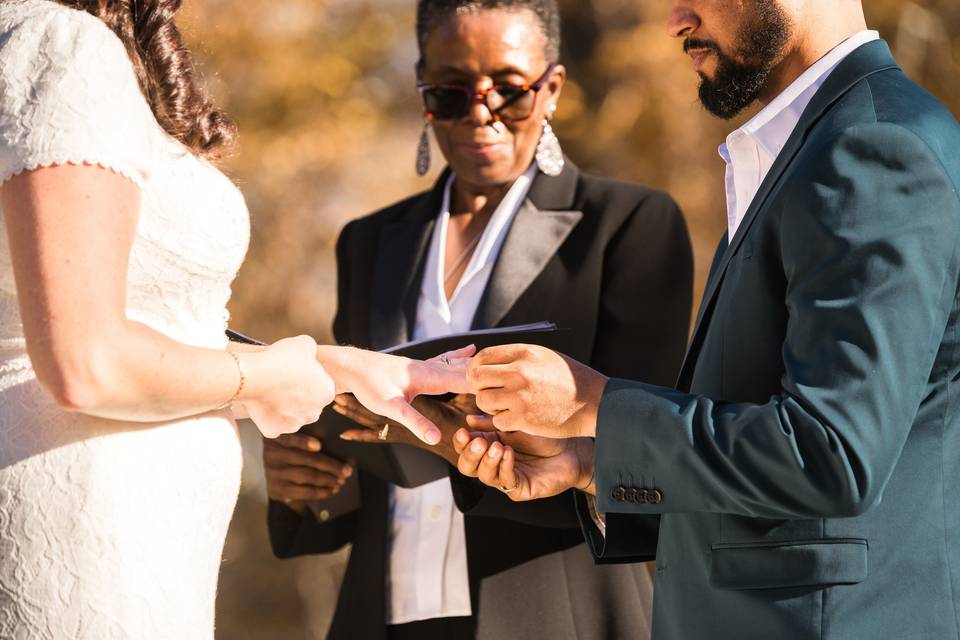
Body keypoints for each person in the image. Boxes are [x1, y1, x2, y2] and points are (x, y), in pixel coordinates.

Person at [453, 1, 960, 639]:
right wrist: (590, 462)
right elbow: (777, 460)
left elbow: (831, 458)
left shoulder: (873, 149)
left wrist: (595, 405)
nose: (675, 21)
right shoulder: (803, 152)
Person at [0, 1, 471, 638]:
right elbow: (88, 363)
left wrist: (328, 367)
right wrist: (267, 379)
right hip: (89, 526)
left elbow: (122, 314)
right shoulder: (59, 41)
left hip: (132, 533)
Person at [262, 1, 693, 639]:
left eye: (510, 91)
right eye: (450, 93)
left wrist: (440, 438)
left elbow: (644, 461)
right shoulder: (368, 241)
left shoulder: (630, 226)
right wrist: (303, 480)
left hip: (555, 613)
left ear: (553, 89)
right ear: (422, 88)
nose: (480, 114)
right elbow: (360, 455)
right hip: (380, 614)